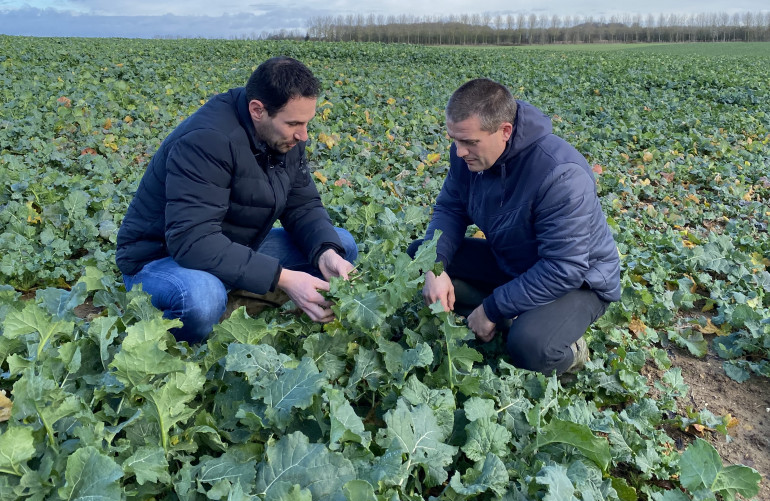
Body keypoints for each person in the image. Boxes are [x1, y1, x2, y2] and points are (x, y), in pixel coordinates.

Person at [116, 56, 357, 342]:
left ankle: (232, 303)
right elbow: (192, 241)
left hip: (235, 246)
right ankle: (213, 312)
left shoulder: (284, 137)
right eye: (294, 123)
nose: (303, 136)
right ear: (258, 110)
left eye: (306, 123)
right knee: (202, 299)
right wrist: (286, 278)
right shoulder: (206, 140)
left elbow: (303, 206)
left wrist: (324, 253)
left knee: (341, 246)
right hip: (163, 259)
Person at [411, 78, 620, 374]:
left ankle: (571, 350)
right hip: (513, 261)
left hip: (580, 280)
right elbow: (451, 209)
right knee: (419, 255)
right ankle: (511, 313)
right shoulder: (468, 156)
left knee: (531, 347)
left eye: (469, 142)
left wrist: (492, 308)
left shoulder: (561, 175)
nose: (459, 152)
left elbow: (564, 267)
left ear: (504, 131)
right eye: (454, 140)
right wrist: (435, 268)